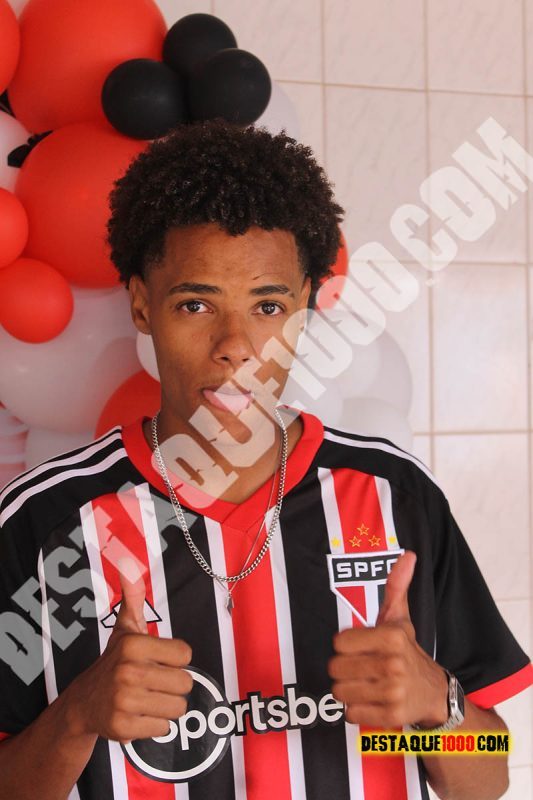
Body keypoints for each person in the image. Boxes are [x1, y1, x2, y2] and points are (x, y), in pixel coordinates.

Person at [0, 118, 531, 800]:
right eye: (196, 304)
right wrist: (76, 716)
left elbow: (486, 777)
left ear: (304, 305)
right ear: (141, 305)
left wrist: (437, 706)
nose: (236, 345)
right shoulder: (48, 521)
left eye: (268, 305)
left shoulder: (394, 495)